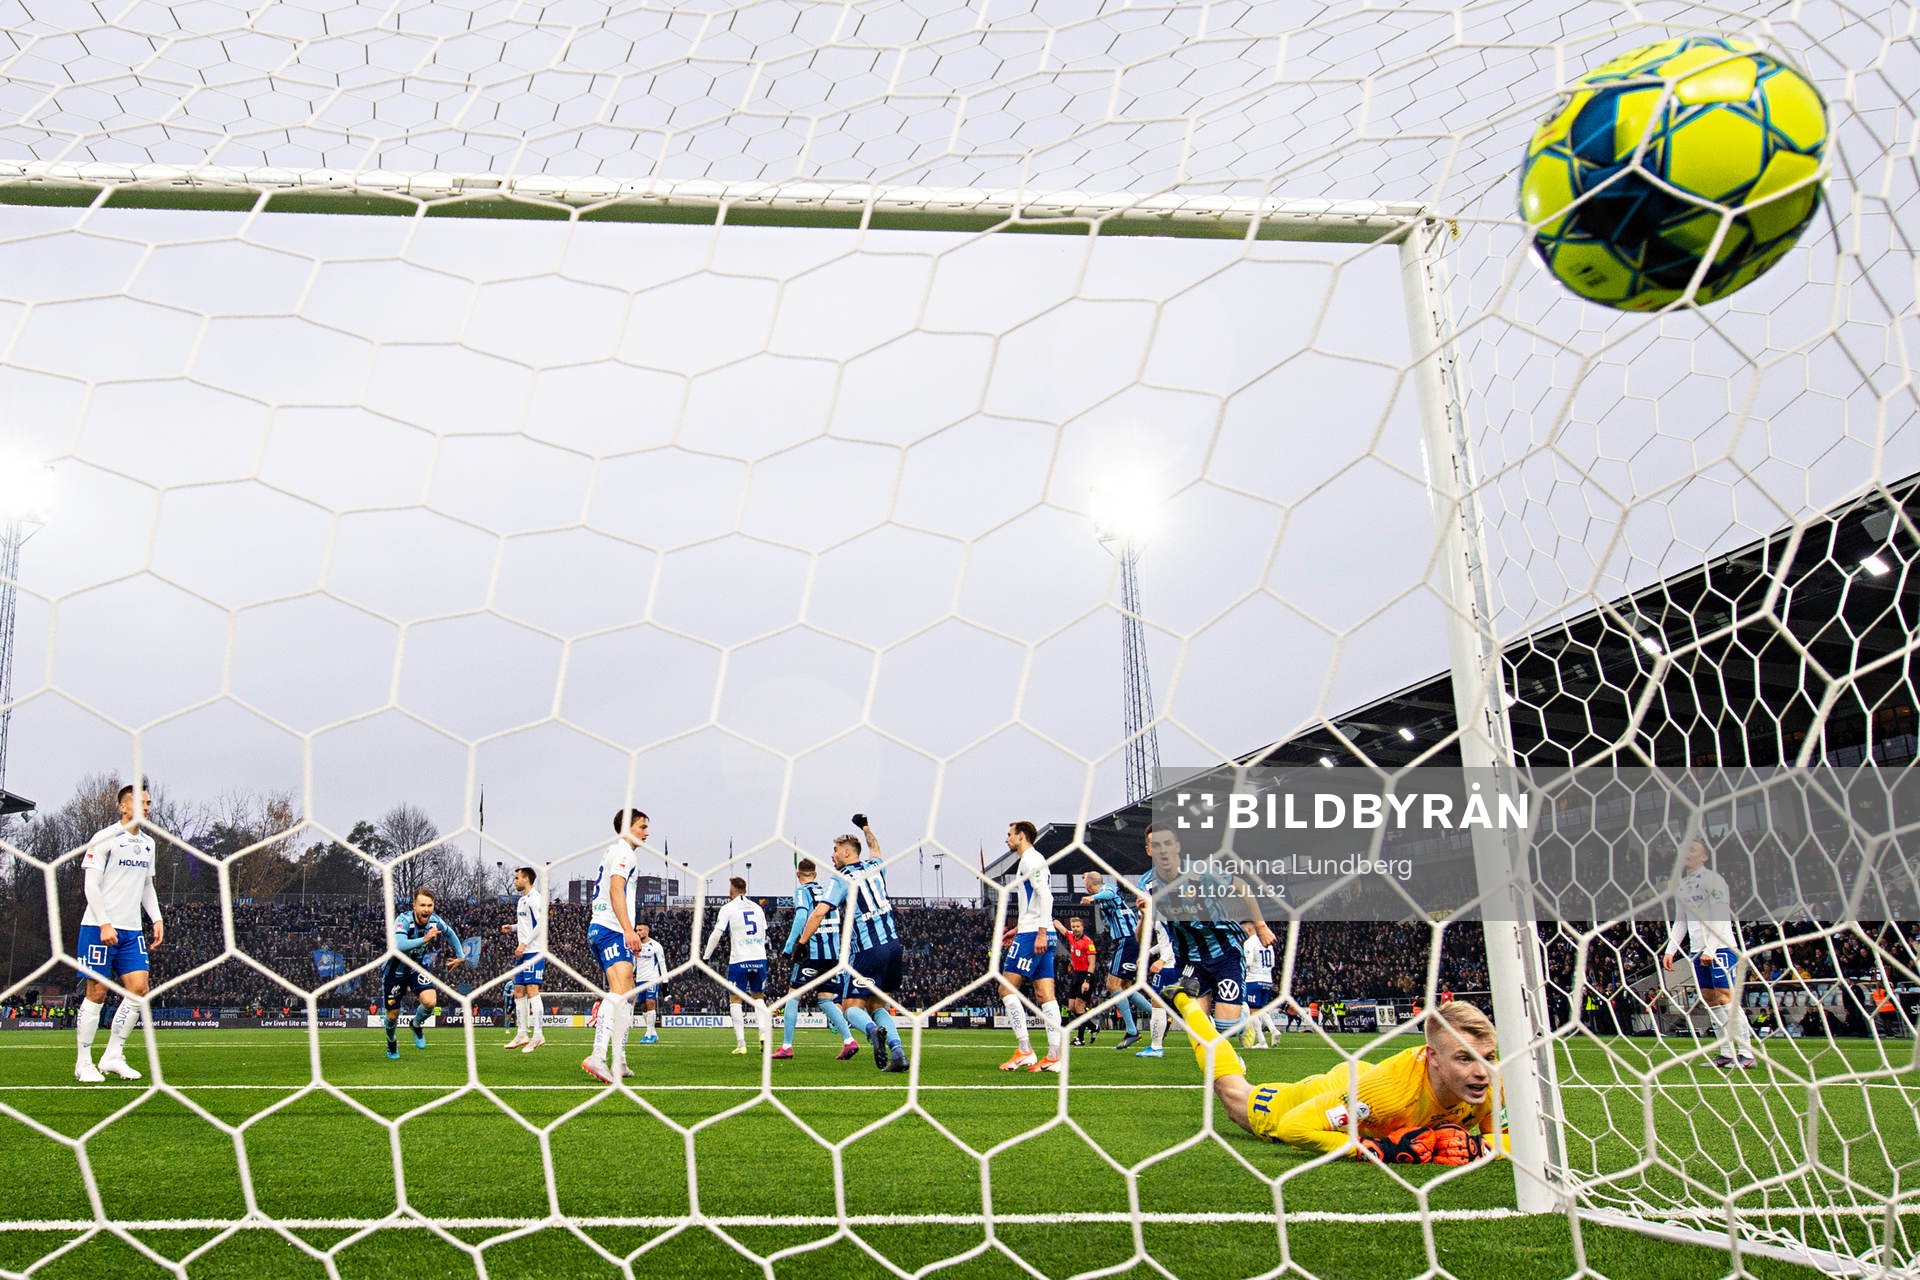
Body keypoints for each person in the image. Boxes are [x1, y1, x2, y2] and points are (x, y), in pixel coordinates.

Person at [1174, 982, 1502, 1166]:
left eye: (1487, 1057)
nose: (1481, 1072)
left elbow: (1517, 1140)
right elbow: (1294, 1128)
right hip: (1336, 1097)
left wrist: (1481, 1148)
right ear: (1433, 1057)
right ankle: (1185, 1001)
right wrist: (1373, 1149)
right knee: (1230, 1090)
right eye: (1464, 1059)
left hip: (1364, 1081)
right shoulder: (1387, 1095)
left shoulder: (1490, 1082)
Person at [1137, 824, 1275, 1048]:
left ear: (1177, 847)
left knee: (1224, 1027)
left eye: (1168, 844)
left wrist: (1260, 925)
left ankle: (1242, 1019)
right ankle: (1223, 1070)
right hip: (1189, 959)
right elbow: (1141, 936)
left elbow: (1242, 886)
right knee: (1197, 1028)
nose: (1163, 850)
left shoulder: (1202, 872)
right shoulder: (1146, 884)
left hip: (1224, 952)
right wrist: (1144, 917)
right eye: (1156, 845)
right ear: (1149, 850)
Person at [793, 814, 908, 1072]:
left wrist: (802, 942)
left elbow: (820, 911)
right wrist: (866, 827)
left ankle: (870, 1031)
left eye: (835, 851)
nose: (832, 856)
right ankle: (898, 1053)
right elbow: (875, 846)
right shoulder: (876, 866)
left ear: (846, 853)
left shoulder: (841, 878)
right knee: (878, 1004)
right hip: (893, 946)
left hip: (868, 950)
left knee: (849, 1008)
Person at [74, 783, 164, 1083]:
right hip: (98, 928)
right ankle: (84, 1062)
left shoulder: (149, 844)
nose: (147, 808)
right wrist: (104, 923)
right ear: (123, 807)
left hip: (131, 931)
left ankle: (113, 1055)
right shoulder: (105, 838)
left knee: (138, 990)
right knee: (97, 992)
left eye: (149, 803)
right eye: (140, 803)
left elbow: (147, 886)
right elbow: (91, 885)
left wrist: (156, 918)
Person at [1660, 838, 1755, 1069]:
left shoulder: (1713, 880)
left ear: (1704, 857)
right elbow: (1680, 921)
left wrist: (1711, 949)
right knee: (1711, 1001)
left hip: (1720, 947)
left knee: (1726, 998)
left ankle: (1746, 1053)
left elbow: (1721, 915)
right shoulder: (1682, 885)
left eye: (1692, 850)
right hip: (1696, 951)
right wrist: (1670, 950)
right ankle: (1725, 1052)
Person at [582, 808, 646, 1083]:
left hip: (602, 927)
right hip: (611, 929)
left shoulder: (614, 851)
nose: (647, 832)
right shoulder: (624, 852)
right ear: (627, 828)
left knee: (628, 994)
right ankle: (598, 1056)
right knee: (620, 993)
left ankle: (618, 1059)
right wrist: (629, 930)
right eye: (642, 826)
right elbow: (615, 888)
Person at [776, 858, 859, 1061]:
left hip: (812, 954)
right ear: (815, 874)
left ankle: (787, 1046)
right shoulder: (827, 892)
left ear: (798, 875)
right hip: (833, 955)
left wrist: (790, 946)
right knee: (825, 999)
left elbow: (802, 916)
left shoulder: (802, 892)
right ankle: (849, 1041)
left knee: (793, 997)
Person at [997, 821, 1063, 1072]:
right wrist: (1020, 926)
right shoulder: (1037, 860)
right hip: (1037, 930)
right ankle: (1054, 1056)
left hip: (1035, 933)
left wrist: (1039, 932)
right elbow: (1035, 900)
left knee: (1006, 990)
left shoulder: (1029, 860)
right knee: (1045, 996)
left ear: (1021, 836)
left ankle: (1025, 1050)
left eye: (1009, 834)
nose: (1006, 839)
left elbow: (1046, 895)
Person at [382, 888, 464, 1058]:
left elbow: (450, 934)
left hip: (416, 968)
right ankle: (391, 1042)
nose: (426, 909)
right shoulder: (403, 920)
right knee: (392, 1016)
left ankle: (416, 1024)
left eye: (430, 905)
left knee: (430, 1002)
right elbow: (398, 945)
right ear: (414, 906)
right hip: (395, 972)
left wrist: (460, 956)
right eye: (422, 905)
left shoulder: (434, 921)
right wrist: (424, 939)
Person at [1081, 870, 1151, 1051]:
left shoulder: (1106, 889)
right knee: (1126, 987)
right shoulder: (1104, 893)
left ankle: (1132, 1030)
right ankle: (1159, 1015)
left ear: (1090, 884)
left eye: (1085, 883)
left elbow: (1110, 892)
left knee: (1112, 985)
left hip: (1126, 940)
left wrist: (1092, 898)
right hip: (1130, 940)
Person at [704, 877, 771, 1054]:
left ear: (731, 891)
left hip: (739, 959)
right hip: (760, 958)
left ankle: (741, 1044)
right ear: (745, 890)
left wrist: (705, 957)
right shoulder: (758, 908)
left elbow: (717, 934)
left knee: (735, 1000)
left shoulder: (728, 908)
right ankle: (763, 1034)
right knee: (759, 997)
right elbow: (764, 933)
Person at [501, 866, 546, 1053]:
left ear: (526, 879)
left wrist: (524, 944)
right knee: (518, 990)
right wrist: (511, 928)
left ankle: (538, 1035)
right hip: (524, 951)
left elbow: (541, 924)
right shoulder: (522, 901)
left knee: (532, 990)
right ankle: (522, 1033)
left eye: (517, 878)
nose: (515, 881)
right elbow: (527, 924)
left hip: (534, 951)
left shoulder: (536, 899)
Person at [632, 923, 667, 1048]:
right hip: (640, 979)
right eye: (636, 930)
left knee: (650, 1003)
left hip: (652, 979)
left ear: (647, 931)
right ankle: (653, 1032)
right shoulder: (636, 945)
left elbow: (662, 964)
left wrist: (665, 982)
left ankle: (649, 1033)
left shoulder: (656, 946)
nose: (638, 932)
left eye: (640, 930)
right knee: (643, 1006)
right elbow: (634, 963)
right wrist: (630, 975)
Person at [1065, 918, 1098, 1046]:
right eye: (1073, 926)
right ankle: (1093, 1027)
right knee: (1072, 1008)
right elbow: (1061, 928)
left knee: (1079, 1008)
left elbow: (1092, 963)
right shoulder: (1071, 937)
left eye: (1077, 926)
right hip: (1076, 975)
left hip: (1086, 977)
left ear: (1082, 927)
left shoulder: (1088, 942)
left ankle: (1080, 1038)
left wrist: (1087, 981)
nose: (1075, 928)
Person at [1242, 933, 1278, 1049]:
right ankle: (1266, 1037)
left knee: (1253, 1011)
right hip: (1267, 981)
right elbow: (1272, 964)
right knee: (1260, 1009)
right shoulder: (1268, 943)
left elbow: (1248, 962)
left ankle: (1270, 1033)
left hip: (1254, 980)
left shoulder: (1250, 942)